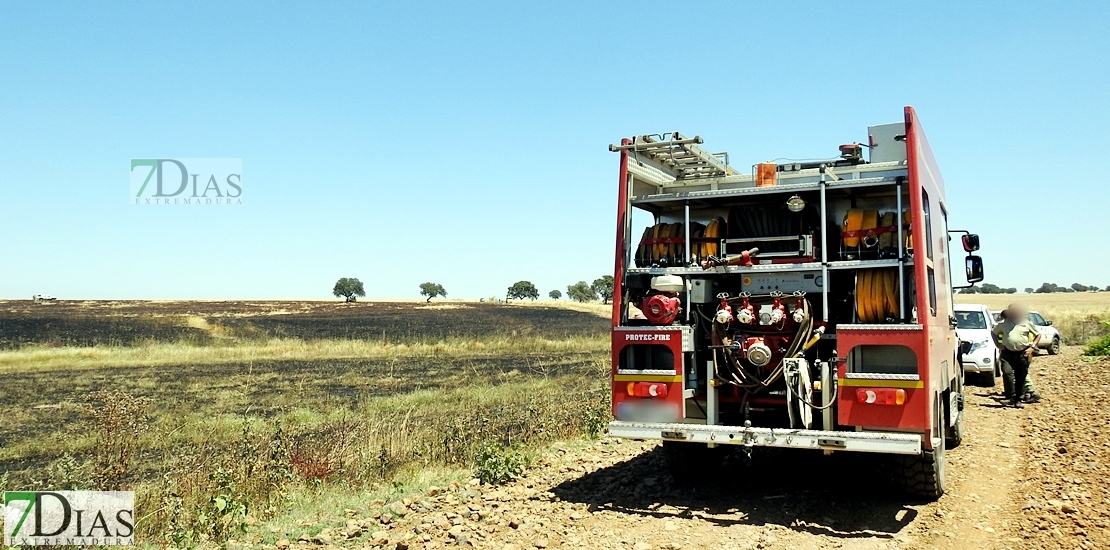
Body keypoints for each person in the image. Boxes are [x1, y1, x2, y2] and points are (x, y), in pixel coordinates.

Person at [991, 304, 1041, 408]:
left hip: (1022, 353)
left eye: (1016, 312)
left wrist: (1032, 347)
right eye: (1012, 312)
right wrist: (998, 344)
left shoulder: (1026, 323)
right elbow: (993, 333)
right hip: (1007, 353)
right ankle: (1010, 397)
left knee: (1021, 377)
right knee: (1007, 373)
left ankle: (1019, 399)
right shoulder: (1003, 323)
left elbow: (1038, 334)